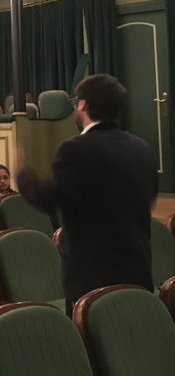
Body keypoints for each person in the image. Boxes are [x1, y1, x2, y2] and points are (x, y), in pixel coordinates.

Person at [18, 74, 158, 316]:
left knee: (93, 347)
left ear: (82, 104)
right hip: (137, 269)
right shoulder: (141, 148)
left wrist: (21, 175)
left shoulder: (75, 149)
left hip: (93, 277)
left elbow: (48, 198)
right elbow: (149, 198)